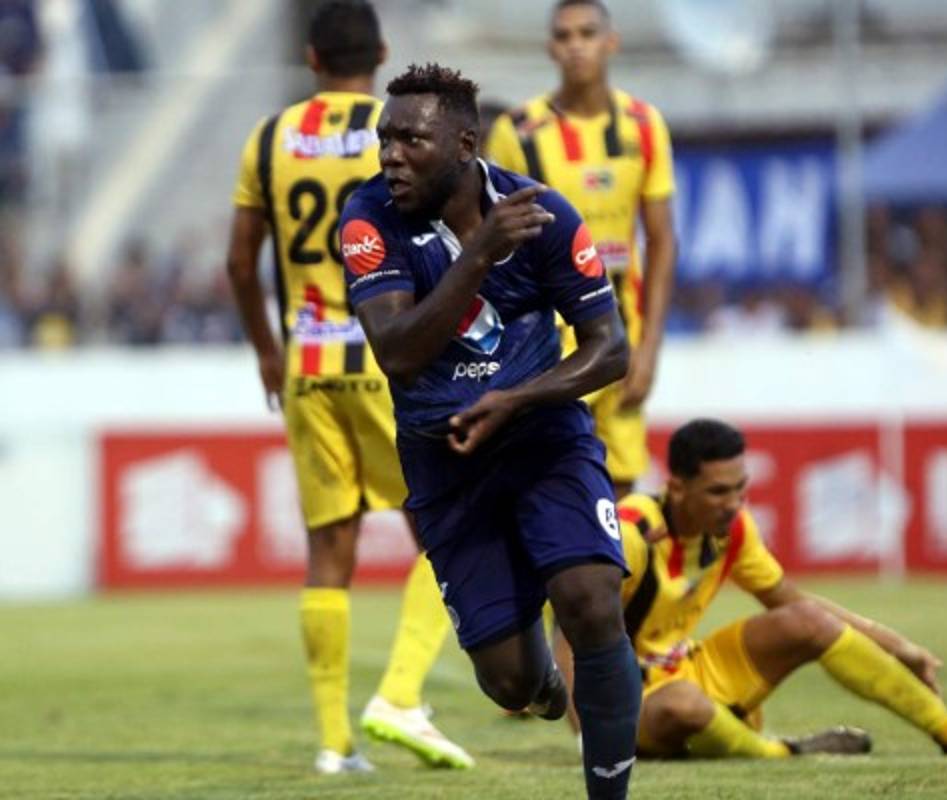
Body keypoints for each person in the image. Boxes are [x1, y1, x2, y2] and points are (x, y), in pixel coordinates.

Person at [340, 62, 643, 800]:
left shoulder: (544, 215)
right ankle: (541, 683)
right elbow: (399, 353)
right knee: (509, 683)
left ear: (465, 144)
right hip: (445, 463)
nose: (391, 156)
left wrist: (517, 399)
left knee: (592, 598)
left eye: (411, 140)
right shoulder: (368, 217)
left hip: (544, 438)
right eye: (384, 139)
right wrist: (479, 253)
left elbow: (611, 349)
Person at [225, 1, 471, 773]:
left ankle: (335, 744)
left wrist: (268, 352)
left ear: (311, 59)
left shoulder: (270, 138)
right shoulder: (401, 131)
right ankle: (400, 693)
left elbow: (239, 261)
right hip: (391, 359)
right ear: (383, 53)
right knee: (451, 526)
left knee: (329, 549)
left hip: (309, 364)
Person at [618, 418, 947, 759]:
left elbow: (793, 601)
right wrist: (596, 725)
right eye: (718, 492)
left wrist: (899, 648)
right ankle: (781, 753)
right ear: (677, 487)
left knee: (806, 620)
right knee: (684, 705)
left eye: (740, 488)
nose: (733, 504)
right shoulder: (632, 533)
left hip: (686, 669)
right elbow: (582, 633)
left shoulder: (733, 530)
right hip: (625, 697)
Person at [486, 0, 676, 499]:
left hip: (619, 337)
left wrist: (650, 348)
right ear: (551, 48)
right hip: (548, 346)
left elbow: (661, 240)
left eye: (587, 34)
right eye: (564, 36)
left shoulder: (643, 125)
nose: (576, 46)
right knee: (550, 490)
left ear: (611, 42)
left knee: (622, 495)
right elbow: (492, 245)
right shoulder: (516, 133)